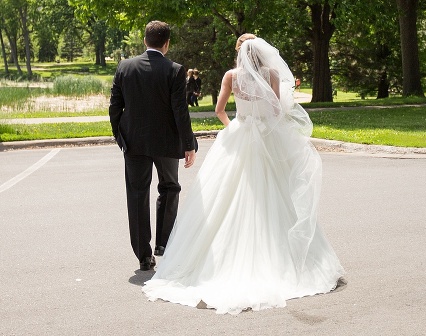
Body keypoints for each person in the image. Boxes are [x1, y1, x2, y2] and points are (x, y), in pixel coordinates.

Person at [142, 35, 344, 314]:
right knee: (276, 193)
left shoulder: (231, 76)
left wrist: (234, 126)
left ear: (239, 52)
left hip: (239, 135)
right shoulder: (271, 74)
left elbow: (219, 110)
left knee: (224, 196)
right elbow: (275, 109)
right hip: (264, 136)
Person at [109, 21, 198, 272]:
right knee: (170, 187)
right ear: (167, 44)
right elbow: (180, 111)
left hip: (134, 142)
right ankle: (164, 243)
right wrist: (188, 144)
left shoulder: (125, 66)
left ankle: (143, 256)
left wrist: (120, 136)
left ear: (144, 40)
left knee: (137, 195)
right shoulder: (175, 70)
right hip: (167, 142)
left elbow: (115, 106)